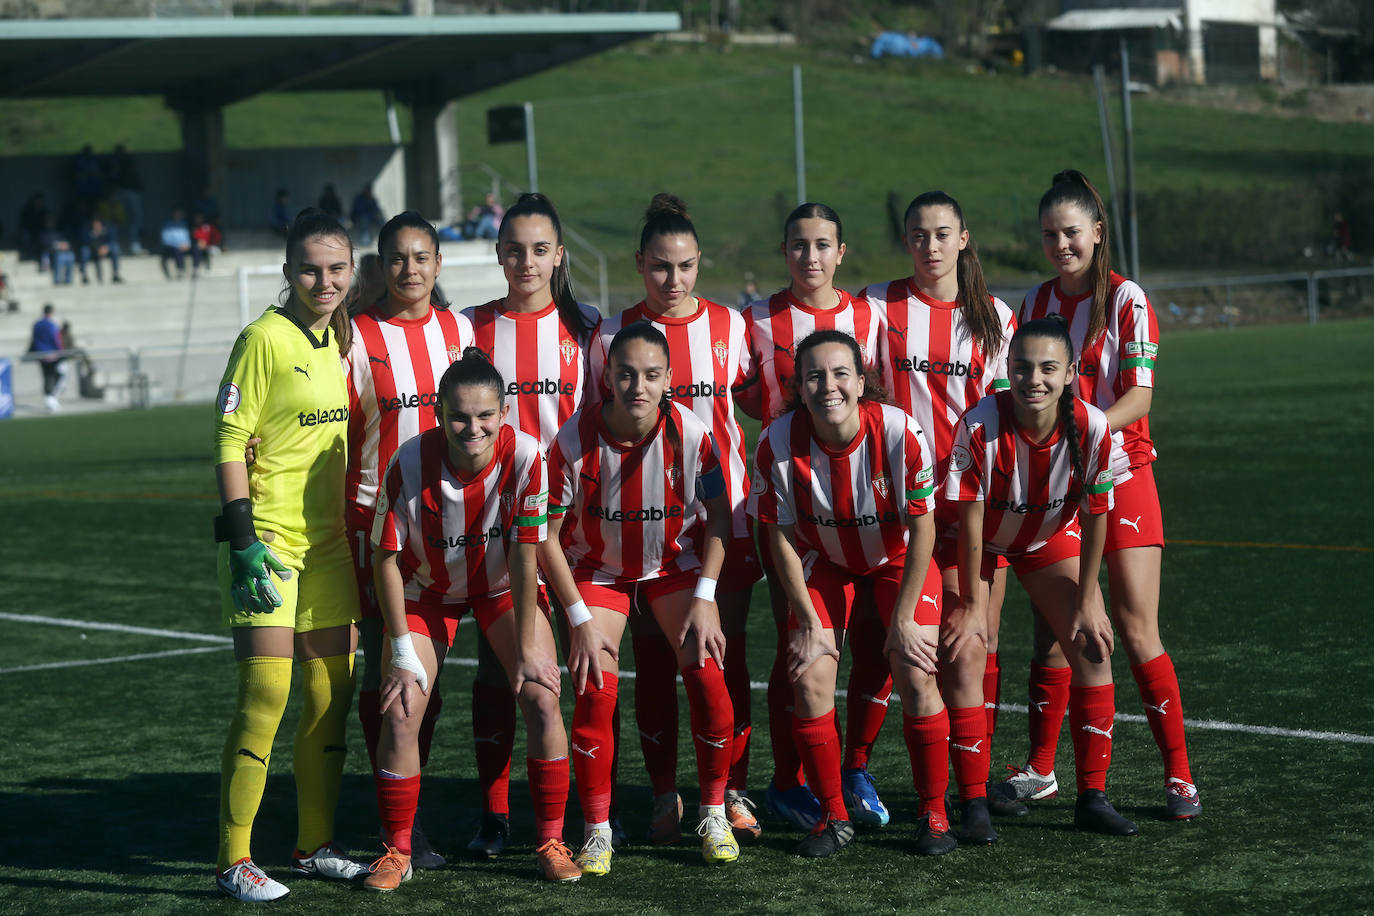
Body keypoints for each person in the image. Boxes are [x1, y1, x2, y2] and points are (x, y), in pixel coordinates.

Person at [1007, 169, 1200, 820]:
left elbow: (1140, 396)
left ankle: (1178, 775)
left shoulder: (1125, 299)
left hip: (1123, 474)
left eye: (1071, 232)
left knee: (1136, 628)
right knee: (1054, 632)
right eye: (1049, 234)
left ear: (1097, 232)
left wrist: (1081, 428)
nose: (1061, 244)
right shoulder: (1033, 304)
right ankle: (1040, 770)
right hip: (1055, 484)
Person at [363, 350, 582, 889]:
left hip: (500, 586)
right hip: (425, 591)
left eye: (485, 415)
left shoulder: (529, 456)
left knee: (541, 693)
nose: (472, 427)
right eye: (459, 415)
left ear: (504, 413)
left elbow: (528, 551)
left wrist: (530, 645)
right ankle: (396, 849)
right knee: (403, 706)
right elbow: (384, 560)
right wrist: (399, 651)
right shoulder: (408, 462)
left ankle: (551, 840)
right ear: (439, 413)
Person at [588, 194, 761, 846]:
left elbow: (761, 400)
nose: (675, 280)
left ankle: (731, 791)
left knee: (722, 656)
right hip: (636, 529)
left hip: (720, 522)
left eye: (686, 266)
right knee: (653, 664)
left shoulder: (729, 327)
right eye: (661, 267)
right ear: (639, 264)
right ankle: (665, 793)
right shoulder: (611, 335)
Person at [541, 321, 738, 875]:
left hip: (673, 567)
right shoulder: (573, 441)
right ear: (607, 375)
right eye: (626, 374)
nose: (638, 387)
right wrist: (578, 618)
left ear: (669, 378)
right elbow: (546, 538)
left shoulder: (693, 435)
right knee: (596, 686)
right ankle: (599, 828)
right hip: (598, 571)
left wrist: (706, 595)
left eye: (652, 375)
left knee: (706, 670)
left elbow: (720, 519)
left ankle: (714, 811)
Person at [750, 329, 952, 858]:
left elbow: (923, 529)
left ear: (862, 382)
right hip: (824, 561)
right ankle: (833, 818)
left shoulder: (899, 431)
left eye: (841, 374)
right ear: (799, 385)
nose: (828, 386)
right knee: (811, 674)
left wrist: (904, 618)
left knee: (915, 669)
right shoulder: (776, 441)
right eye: (814, 375)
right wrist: (808, 621)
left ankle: (934, 814)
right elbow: (779, 537)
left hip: (896, 559)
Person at [211, 208, 365, 902]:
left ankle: (313, 844)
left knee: (333, 693)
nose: (323, 280)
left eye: (335, 268)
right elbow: (227, 439)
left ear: (351, 270)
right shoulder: (262, 338)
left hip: (330, 548)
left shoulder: (343, 341)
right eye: (310, 268)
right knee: (267, 693)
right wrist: (242, 540)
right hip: (267, 547)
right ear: (287, 272)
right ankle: (232, 861)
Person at [857, 190, 1021, 837]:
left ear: (964, 239)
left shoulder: (995, 318)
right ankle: (927, 785)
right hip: (906, 515)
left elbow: (1008, 418)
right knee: (925, 651)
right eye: (918, 235)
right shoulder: (879, 305)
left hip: (978, 508)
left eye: (941, 233)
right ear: (907, 242)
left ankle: (972, 790)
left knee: (978, 644)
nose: (929, 246)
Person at [947, 314, 1138, 837]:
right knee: (968, 649)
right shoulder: (981, 423)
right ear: (1008, 368)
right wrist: (968, 603)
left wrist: (1089, 597)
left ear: (1071, 372)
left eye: (1048, 368)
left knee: (1092, 644)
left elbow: (1098, 514)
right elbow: (966, 521)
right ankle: (973, 802)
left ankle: (1092, 796)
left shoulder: (1094, 426)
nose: (1035, 379)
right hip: (977, 542)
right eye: (1023, 367)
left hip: (1045, 539)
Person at [736, 203, 886, 834]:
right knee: (801, 646)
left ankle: (853, 768)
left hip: (865, 508)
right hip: (793, 512)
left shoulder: (867, 316)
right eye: (799, 245)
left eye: (823, 245)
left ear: (841, 252)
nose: (811, 258)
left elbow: (875, 398)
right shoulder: (757, 319)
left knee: (873, 644)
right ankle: (788, 781)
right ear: (784, 250)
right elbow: (742, 392)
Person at [460, 192, 602, 857]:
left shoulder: (589, 330)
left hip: (575, 534)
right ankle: (495, 813)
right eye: (513, 249)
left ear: (559, 256)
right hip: (500, 536)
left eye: (539, 249)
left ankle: (592, 813)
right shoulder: (469, 330)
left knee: (588, 673)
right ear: (498, 254)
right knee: (500, 671)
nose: (526, 261)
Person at [345, 211, 473, 869]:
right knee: (393, 675)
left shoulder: (460, 332)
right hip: (382, 533)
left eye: (421, 257)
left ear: (438, 264)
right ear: (381, 264)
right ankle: (399, 823)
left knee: (433, 680)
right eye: (397, 258)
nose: (410, 270)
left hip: (454, 531)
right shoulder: (359, 336)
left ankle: (414, 802)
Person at [107, 144, 144, 253]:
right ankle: (116, 245)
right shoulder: (115, 162)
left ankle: (134, 244)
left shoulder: (129, 161)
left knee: (135, 218)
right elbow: (112, 177)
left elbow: (135, 175)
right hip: (120, 191)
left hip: (131, 191)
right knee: (118, 219)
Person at [28, 303, 64, 412]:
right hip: (51, 354)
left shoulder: (36, 324)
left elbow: (33, 339)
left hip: (40, 354)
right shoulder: (51, 325)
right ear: (51, 312)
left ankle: (49, 396)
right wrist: (61, 351)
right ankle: (50, 397)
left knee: (47, 375)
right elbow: (56, 340)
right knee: (53, 375)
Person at [78, 215, 123, 284]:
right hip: (92, 250)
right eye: (95, 225)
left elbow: (113, 239)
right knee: (84, 251)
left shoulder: (107, 229)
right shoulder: (88, 231)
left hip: (105, 250)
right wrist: (95, 244)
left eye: (98, 225)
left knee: (115, 248)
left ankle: (116, 274)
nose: (97, 226)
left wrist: (106, 247)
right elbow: (84, 242)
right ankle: (84, 276)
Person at [160, 209, 202, 279]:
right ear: (173, 214)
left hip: (185, 245)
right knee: (177, 250)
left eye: (180, 214)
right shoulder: (167, 225)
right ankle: (180, 270)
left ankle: (196, 269)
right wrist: (178, 245)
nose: (179, 215)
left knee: (196, 248)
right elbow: (166, 240)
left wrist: (187, 244)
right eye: (177, 213)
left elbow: (188, 236)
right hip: (173, 247)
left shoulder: (184, 224)